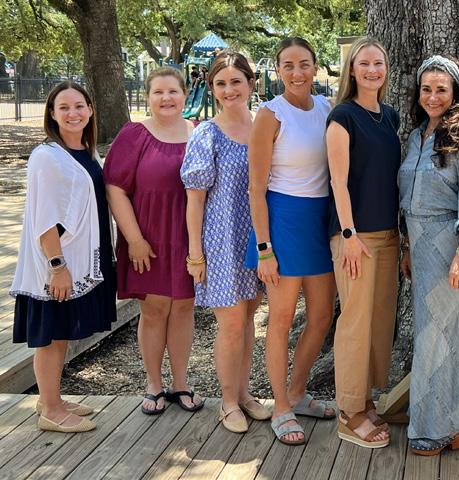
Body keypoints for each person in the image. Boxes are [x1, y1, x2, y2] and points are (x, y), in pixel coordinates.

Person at [10, 81, 117, 432]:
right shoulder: (47, 156)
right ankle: (51, 412)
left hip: (81, 258)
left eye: (79, 106)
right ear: (52, 114)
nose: (73, 113)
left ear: (90, 109)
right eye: (64, 107)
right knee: (53, 335)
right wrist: (58, 267)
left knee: (62, 332)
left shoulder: (87, 152)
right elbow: (43, 217)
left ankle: (49, 399)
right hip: (57, 262)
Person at [245, 37, 336, 446]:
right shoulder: (270, 114)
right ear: (278, 70)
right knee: (280, 319)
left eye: (304, 64)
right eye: (288, 65)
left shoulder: (326, 108)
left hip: (320, 221)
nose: (297, 73)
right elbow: (256, 188)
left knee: (322, 316)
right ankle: (280, 405)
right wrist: (264, 248)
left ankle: (297, 392)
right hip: (282, 221)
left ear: (315, 67)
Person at [398, 55, 459, 455]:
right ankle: (456, 422)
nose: (432, 97)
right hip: (418, 245)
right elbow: (408, 197)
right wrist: (406, 246)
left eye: (441, 89)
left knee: (437, 336)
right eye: (426, 89)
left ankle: (436, 426)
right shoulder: (417, 135)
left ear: (456, 93)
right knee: (440, 334)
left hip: (448, 243)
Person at [103, 67, 203, 416]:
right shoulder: (134, 135)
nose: (166, 98)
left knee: (184, 307)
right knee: (155, 309)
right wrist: (134, 239)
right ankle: (154, 384)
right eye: (158, 92)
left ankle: (181, 383)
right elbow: (115, 188)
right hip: (148, 239)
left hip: (190, 239)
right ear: (147, 97)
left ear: (185, 94)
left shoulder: (199, 132)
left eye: (173, 91)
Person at [181, 52, 268, 434]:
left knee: (249, 321)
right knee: (231, 324)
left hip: (259, 238)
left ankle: (244, 393)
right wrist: (195, 254)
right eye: (221, 83)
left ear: (251, 83)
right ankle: (228, 402)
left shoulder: (264, 125)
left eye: (236, 81)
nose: (229, 90)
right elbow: (195, 199)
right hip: (222, 241)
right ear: (212, 89)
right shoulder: (207, 134)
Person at [326, 37, 401, 449]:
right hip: (355, 236)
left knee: (379, 322)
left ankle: (366, 398)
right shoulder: (343, 116)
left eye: (379, 63)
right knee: (355, 322)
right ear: (352, 70)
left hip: (388, 236)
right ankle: (349, 412)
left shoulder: (389, 116)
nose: (373, 70)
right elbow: (338, 181)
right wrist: (349, 234)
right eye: (364, 63)